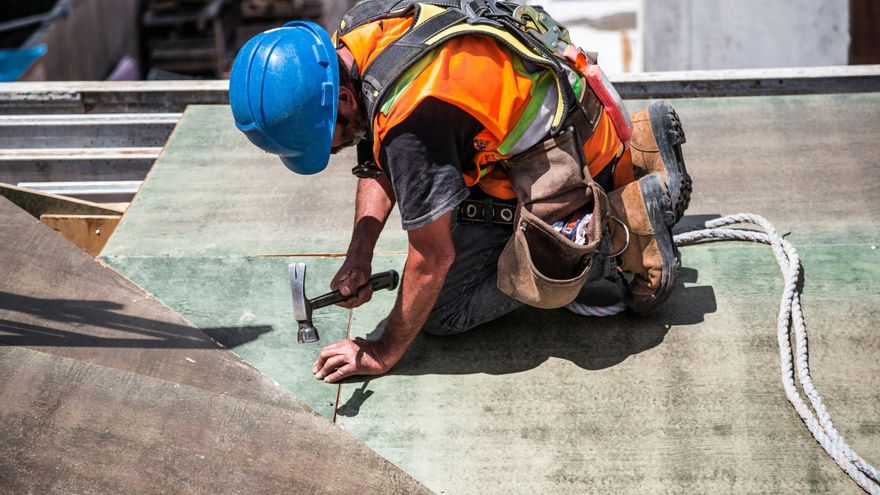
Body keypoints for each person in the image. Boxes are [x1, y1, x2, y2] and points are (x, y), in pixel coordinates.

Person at [229, 0, 691, 383]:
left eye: (321, 141)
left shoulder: (414, 121)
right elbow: (376, 151)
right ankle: (640, 149)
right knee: (436, 207)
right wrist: (360, 254)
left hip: (566, 161)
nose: (327, 153)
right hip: (576, 111)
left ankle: (620, 229)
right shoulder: (360, 30)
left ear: (344, 99)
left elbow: (432, 258)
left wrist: (382, 351)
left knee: (445, 310)